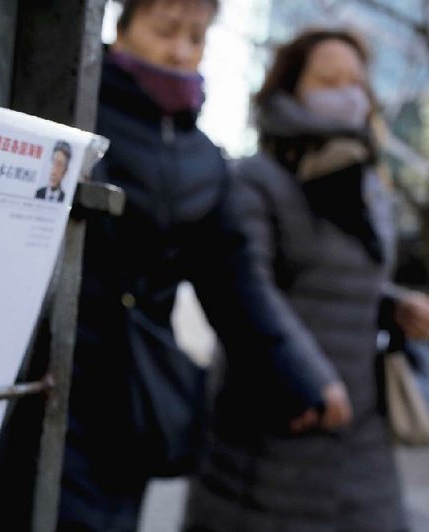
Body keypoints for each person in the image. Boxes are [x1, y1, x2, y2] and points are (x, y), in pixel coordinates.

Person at [59, 0, 318, 529]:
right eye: (165, 30)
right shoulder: (69, 103)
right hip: (41, 363)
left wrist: (299, 377)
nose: (180, 50)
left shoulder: (203, 159)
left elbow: (236, 282)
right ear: (123, 28)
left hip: (125, 392)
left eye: (196, 38)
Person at [184, 28, 429, 531]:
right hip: (278, 424)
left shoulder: (369, 185)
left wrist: (393, 305)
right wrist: (306, 379)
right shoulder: (256, 179)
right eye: (327, 79)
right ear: (291, 88)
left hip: (362, 429)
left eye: (355, 81)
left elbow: (341, 278)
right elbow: (242, 285)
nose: (347, 92)